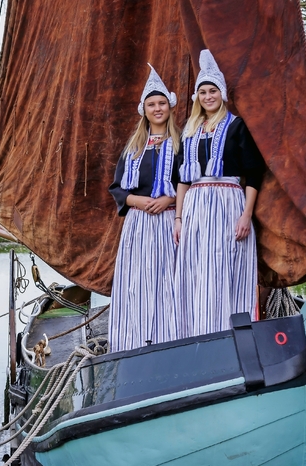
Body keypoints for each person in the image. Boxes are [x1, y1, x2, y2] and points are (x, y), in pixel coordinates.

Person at [174, 49, 265, 338]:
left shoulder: (237, 126)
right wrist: (178, 218)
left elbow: (254, 172)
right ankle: (195, 334)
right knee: (196, 270)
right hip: (195, 205)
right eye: (203, 92)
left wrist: (246, 215)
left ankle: (230, 335)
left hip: (227, 202)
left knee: (224, 268)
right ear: (197, 97)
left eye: (213, 90)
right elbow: (182, 179)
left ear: (222, 94)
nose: (208, 96)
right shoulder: (189, 131)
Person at [107, 65, 182, 352]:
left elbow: (188, 182)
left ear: (169, 106)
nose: (157, 108)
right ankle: (134, 340)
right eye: (152, 104)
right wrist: (137, 201)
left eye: (161, 102)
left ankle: (167, 341)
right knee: (136, 282)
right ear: (144, 110)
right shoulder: (134, 147)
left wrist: (169, 200)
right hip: (138, 225)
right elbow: (117, 188)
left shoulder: (180, 144)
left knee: (166, 281)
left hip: (166, 222)